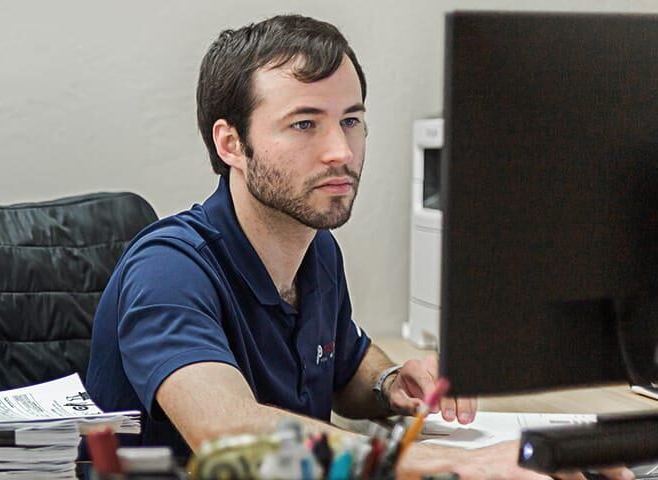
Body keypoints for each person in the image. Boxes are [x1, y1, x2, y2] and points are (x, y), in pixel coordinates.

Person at [86, 14, 632, 480]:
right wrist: (446, 461)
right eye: (304, 124)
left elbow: (345, 366)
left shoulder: (315, 249)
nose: (339, 150)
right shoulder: (168, 269)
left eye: (351, 121)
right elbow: (228, 431)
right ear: (231, 143)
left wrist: (392, 381)